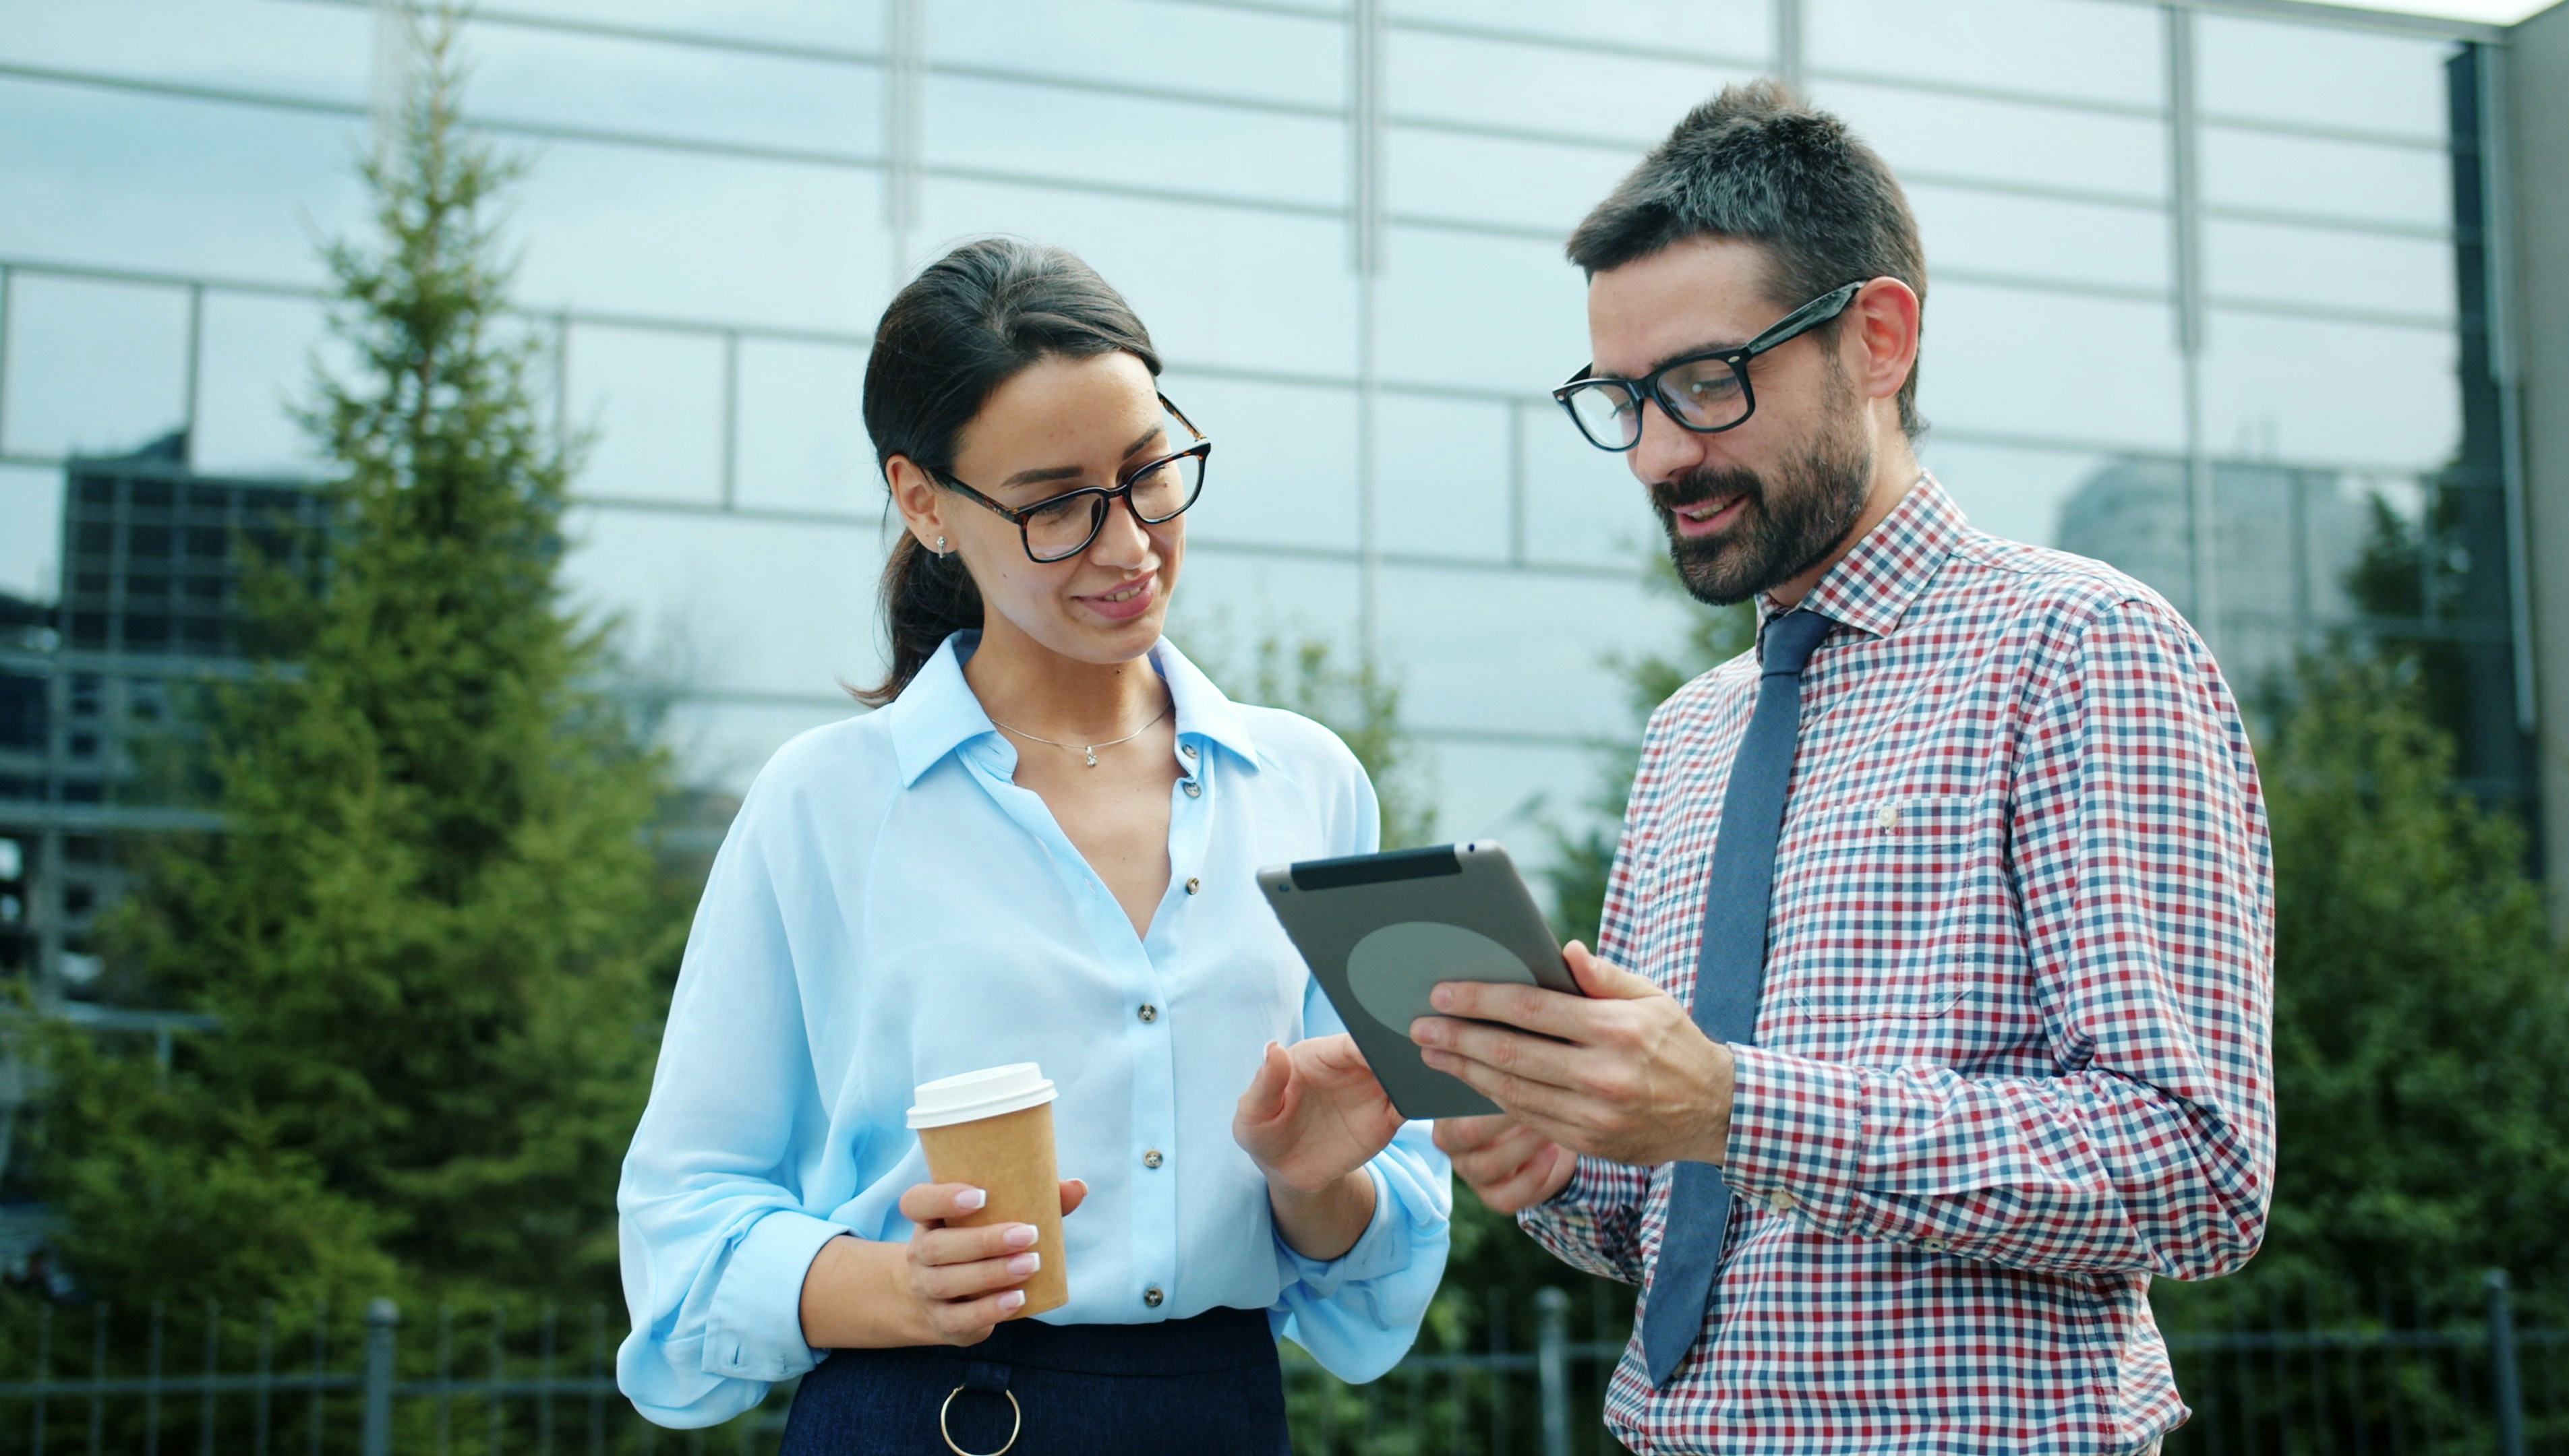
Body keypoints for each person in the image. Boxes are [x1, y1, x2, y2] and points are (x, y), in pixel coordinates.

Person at [1419, 82, 2274, 1455]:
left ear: (1877, 340)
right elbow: (1659, 1228)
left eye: (1706, 381)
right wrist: (1555, 1159)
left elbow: (2193, 1169)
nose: (1656, 454)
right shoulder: (1691, 734)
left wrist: (1734, 1104)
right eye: (1622, 398)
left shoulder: (2084, 653)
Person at [614, 238, 1450, 1453]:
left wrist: (1312, 1180)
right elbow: (681, 1229)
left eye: (1150, 471)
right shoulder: (823, 806)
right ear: (923, 501)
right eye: (1056, 504)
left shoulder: (1310, 784)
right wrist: (893, 1288)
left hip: (1222, 1419)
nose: (1128, 546)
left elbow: (1378, 1284)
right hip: (922, 1417)